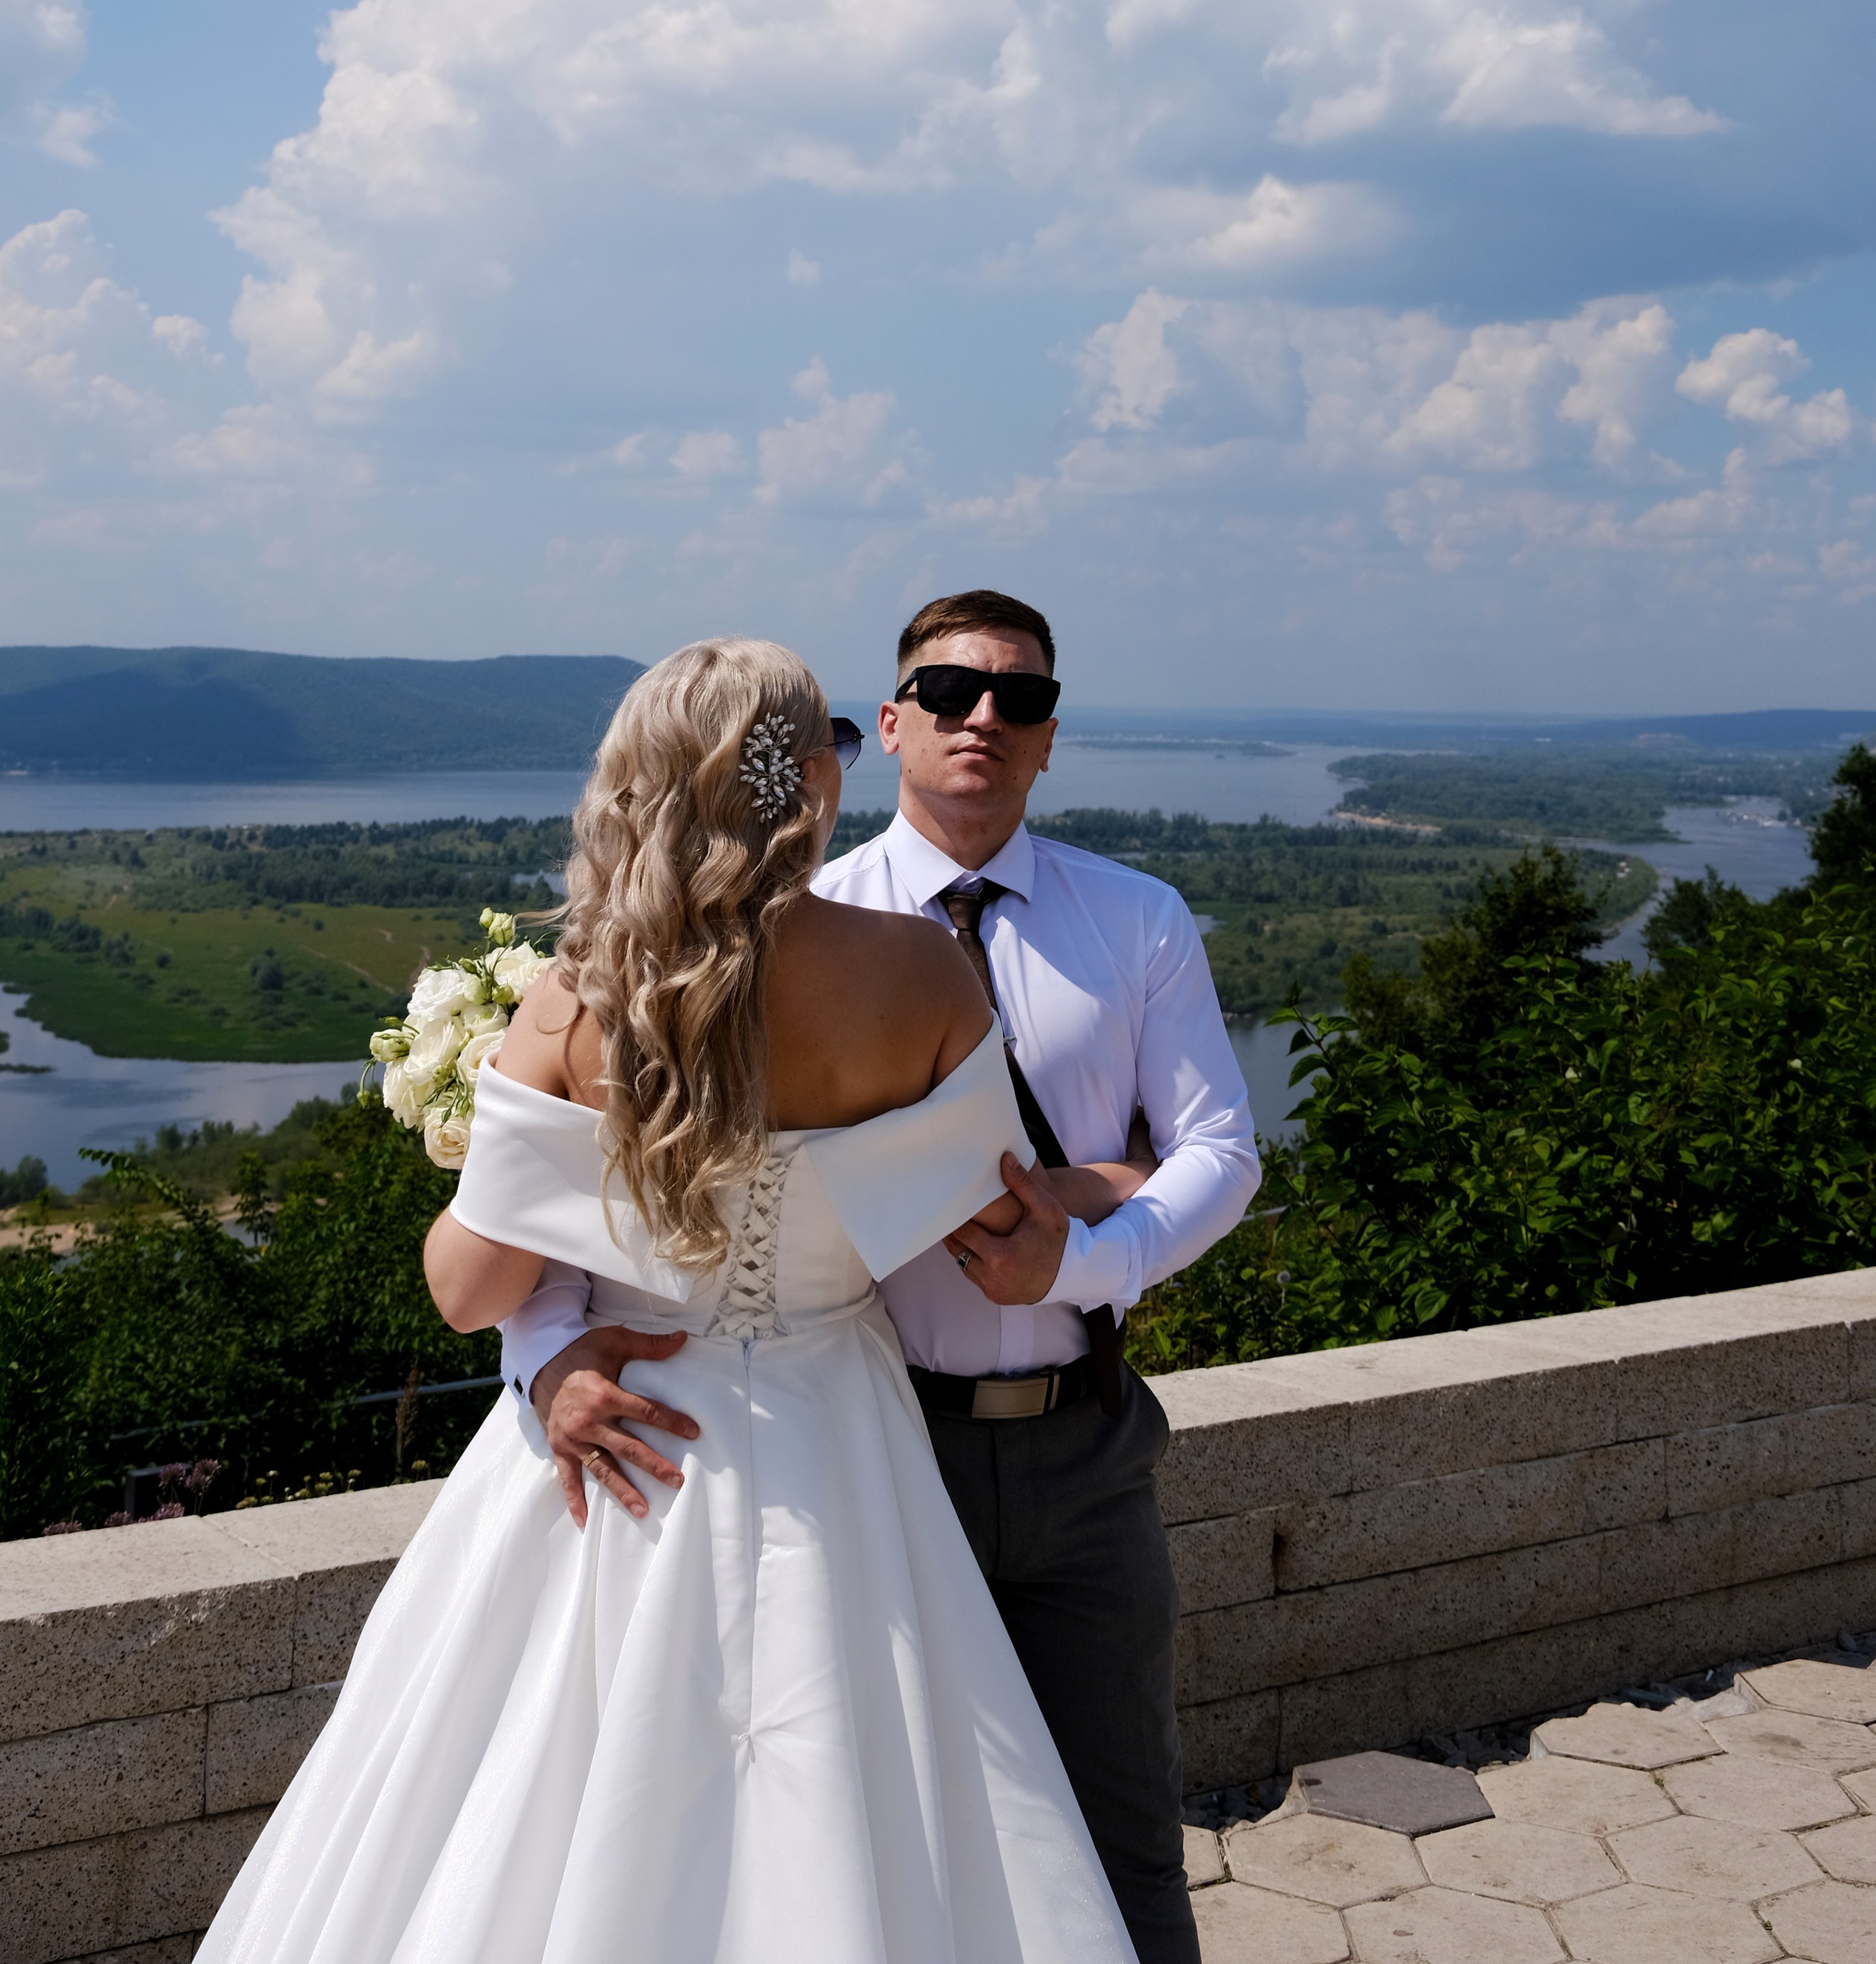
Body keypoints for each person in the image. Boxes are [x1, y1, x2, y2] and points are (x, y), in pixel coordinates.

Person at [195, 639, 1142, 1964]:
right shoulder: (926, 976)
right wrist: (1119, 1191)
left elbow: (468, 1291)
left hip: (621, 1437)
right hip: (838, 1434)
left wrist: (548, 1325)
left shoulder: (579, 996)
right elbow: (990, 1224)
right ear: (806, 778)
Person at [504, 592, 1261, 1964]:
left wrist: (1084, 1259)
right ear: (891, 720)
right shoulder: (782, 923)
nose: (985, 719)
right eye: (950, 691)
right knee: (883, 1855)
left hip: (1084, 1449)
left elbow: (1219, 1150)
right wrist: (546, 1357)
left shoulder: (1141, 920)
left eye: (1019, 702)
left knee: (1123, 1841)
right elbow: (611, 1203)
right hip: (866, 1456)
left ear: (1048, 742)